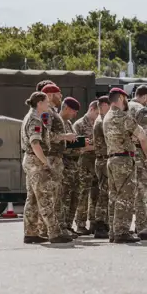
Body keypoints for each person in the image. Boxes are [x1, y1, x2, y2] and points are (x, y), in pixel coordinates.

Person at [21, 91, 72, 244]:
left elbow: (47, 137)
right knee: (45, 197)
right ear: (39, 103)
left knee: (33, 199)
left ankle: (30, 233)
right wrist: (45, 161)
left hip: (30, 160)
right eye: (46, 102)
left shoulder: (32, 117)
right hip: (35, 161)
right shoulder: (35, 119)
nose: (48, 104)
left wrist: (64, 137)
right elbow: (35, 143)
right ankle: (54, 233)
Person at [104, 87, 147, 243]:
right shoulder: (123, 117)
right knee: (125, 196)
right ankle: (122, 231)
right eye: (124, 99)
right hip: (124, 160)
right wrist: (146, 156)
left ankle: (113, 230)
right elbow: (143, 136)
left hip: (111, 159)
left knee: (113, 197)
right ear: (120, 98)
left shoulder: (107, 117)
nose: (126, 102)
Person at [41, 84, 77, 238]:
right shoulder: (46, 113)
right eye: (58, 94)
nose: (60, 97)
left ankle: (58, 228)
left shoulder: (51, 112)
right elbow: (46, 136)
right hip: (51, 157)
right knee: (52, 196)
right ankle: (52, 231)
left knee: (58, 196)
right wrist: (65, 137)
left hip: (57, 158)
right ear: (49, 95)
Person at [126, 85, 147, 239]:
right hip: (139, 153)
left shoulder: (123, 106)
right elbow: (144, 135)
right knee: (142, 192)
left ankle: (124, 227)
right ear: (145, 97)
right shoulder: (142, 110)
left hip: (124, 153)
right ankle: (143, 228)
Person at [72, 100, 100, 235]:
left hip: (97, 163)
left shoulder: (99, 124)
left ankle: (94, 221)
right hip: (84, 164)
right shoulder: (79, 125)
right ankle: (81, 223)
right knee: (83, 194)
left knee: (96, 194)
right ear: (91, 109)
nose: (98, 115)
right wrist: (94, 147)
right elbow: (75, 146)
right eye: (97, 112)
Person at [59, 97, 83, 234]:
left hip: (74, 166)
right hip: (64, 165)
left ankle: (68, 225)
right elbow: (60, 145)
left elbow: (72, 140)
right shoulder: (58, 122)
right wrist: (77, 145)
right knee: (64, 198)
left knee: (74, 198)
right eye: (74, 111)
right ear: (66, 108)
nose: (75, 115)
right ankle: (62, 227)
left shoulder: (68, 123)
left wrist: (80, 142)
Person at [92, 96, 111, 239]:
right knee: (103, 195)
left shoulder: (102, 119)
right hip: (103, 160)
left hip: (103, 160)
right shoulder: (102, 121)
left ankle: (103, 222)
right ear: (104, 105)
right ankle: (99, 224)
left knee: (105, 193)